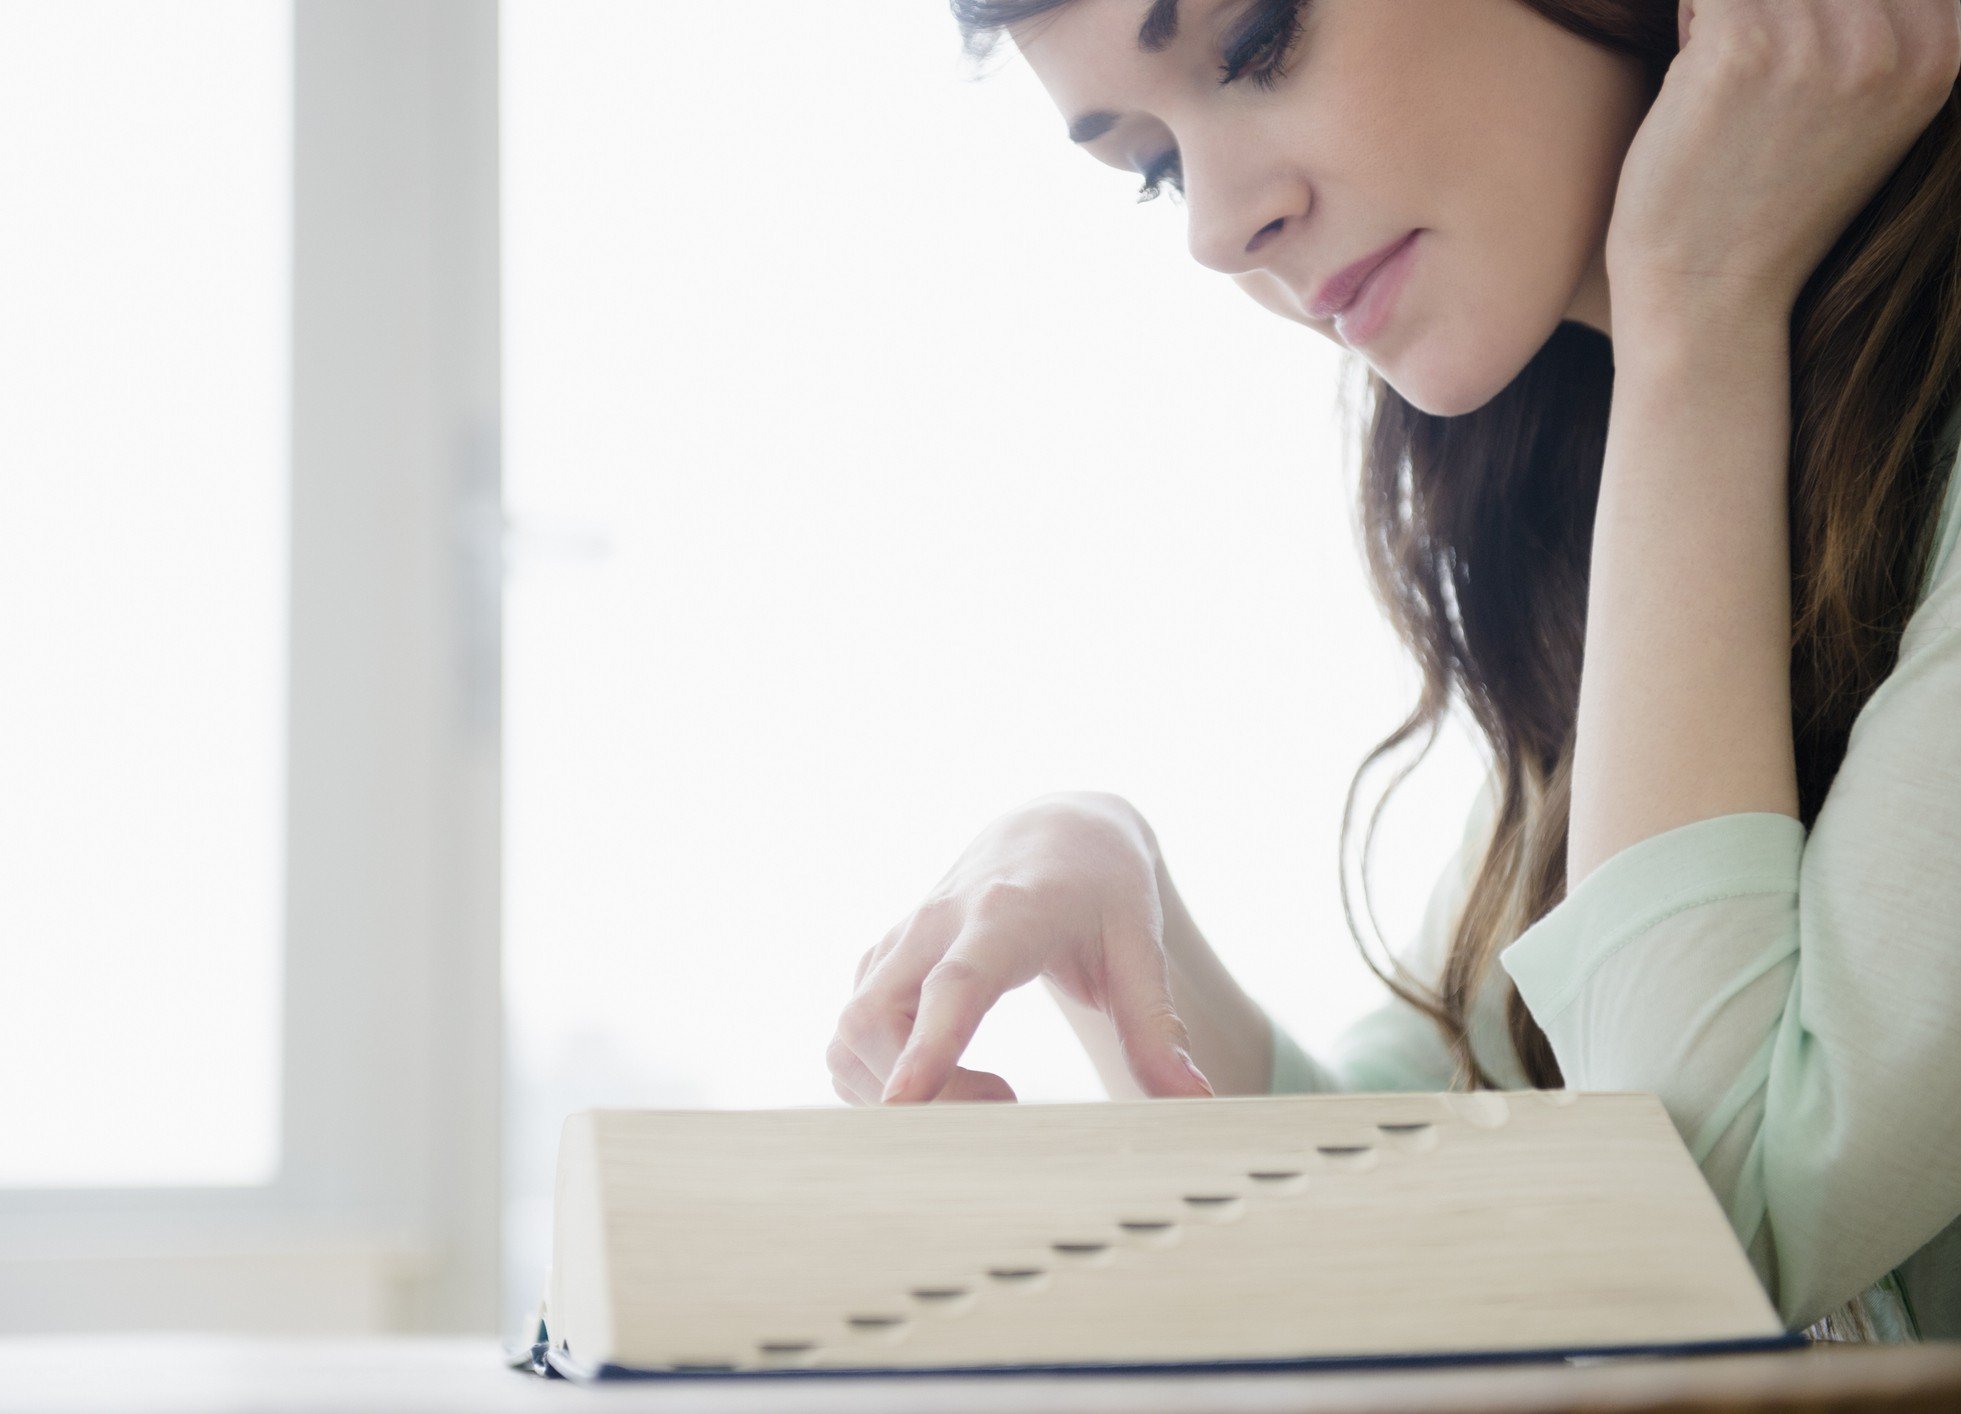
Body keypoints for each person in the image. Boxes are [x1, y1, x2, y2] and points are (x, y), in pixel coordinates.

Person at [826, 0, 1961, 1345]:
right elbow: (1419, 1186)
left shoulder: (1705, 386)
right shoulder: (1629, 473)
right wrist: (1104, 885)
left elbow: (1693, 1245)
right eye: (1154, 166)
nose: (1212, 228)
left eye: (1256, 45)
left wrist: (1699, 313)